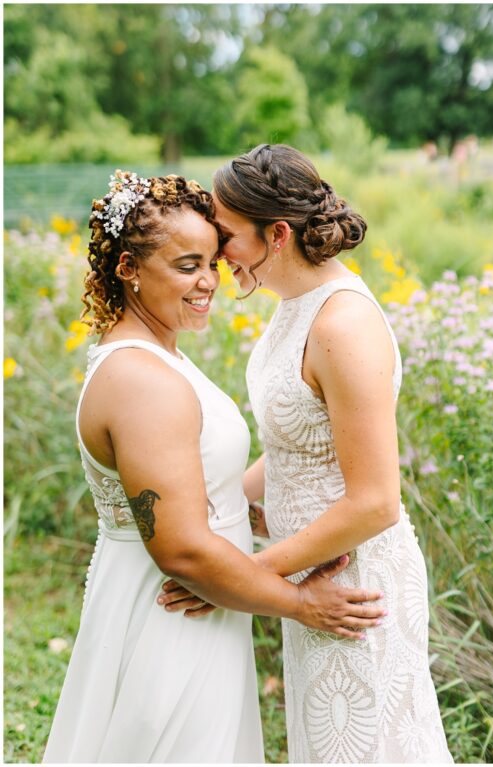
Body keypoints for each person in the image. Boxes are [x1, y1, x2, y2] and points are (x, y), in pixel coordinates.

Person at [44, 172, 387, 763]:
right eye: (186, 266)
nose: (208, 283)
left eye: (212, 262)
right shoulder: (140, 380)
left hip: (203, 605)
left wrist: (268, 516)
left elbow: (210, 482)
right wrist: (301, 603)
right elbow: (182, 552)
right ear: (128, 269)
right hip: (170, 611)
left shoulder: (157, 358)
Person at [162, 144, 452, 762]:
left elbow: (376, 502)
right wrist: (219, 512)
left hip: (351, 585)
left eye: (226, 237)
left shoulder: (342, 325)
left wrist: (240, 576)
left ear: (279, 234)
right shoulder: (294, 308)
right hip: (311, 571)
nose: (217, 256)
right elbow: (300, 443)